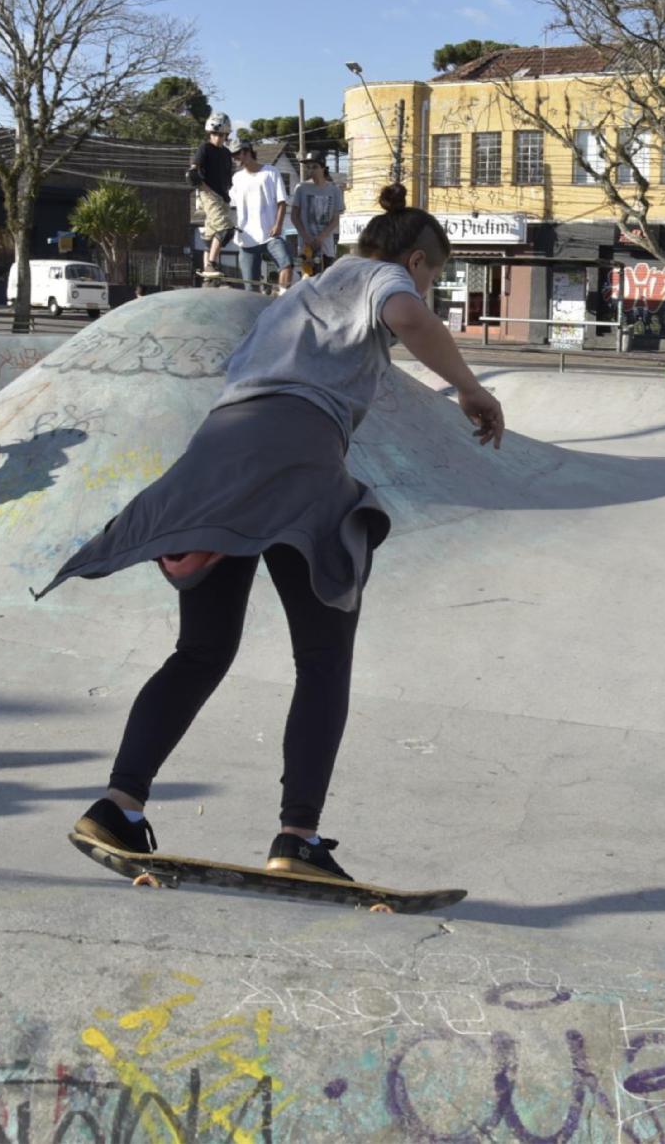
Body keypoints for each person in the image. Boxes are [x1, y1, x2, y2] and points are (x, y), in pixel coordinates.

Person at [43, 183, 506, 884]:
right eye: (435, 275)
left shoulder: (301, 295)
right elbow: (410, 317)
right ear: (415, 258)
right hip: (292, 459)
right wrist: (471, 388)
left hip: (214, 456)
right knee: (323, 660)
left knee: (200, 651)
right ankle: (298, 838)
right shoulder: (381, 277)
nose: (430, 287)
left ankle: (118, 806)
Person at [230, 144, 294, 293]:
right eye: (232, 156)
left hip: (270, 234)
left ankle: (282, 298)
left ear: (247, 152)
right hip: (246, 238)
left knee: (286, 264)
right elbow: (230, 203)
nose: (234, 159)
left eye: (236, 155)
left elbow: (282, 202)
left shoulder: (271, 172)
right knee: (250, 285)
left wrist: (278, 225)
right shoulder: (237, 178)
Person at [192, 112, 237, 283]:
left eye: (220, 135)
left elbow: (227, 177)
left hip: (223, 196)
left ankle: (207, 275)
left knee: (211, 237)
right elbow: (193, 172)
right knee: (225, 229)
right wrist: (205, 189)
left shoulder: (226, 153)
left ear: (226, 135)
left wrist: (226, 196)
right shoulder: (205, 148)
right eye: (214, 134)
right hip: (208, 194)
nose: (217, 138)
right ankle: (211, 264)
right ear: (209, 134)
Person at [291, 154, 344, 278]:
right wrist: (305, 236)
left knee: (325, 281)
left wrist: (321, 237)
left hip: (325, 246)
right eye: (308, 168)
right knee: (307, 281)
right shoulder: (301, 188)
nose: (311, 171)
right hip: (306, 247)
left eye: (314, 167)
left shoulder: (334, 190)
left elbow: (336, 218)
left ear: (323, 168)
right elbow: (294, 216)